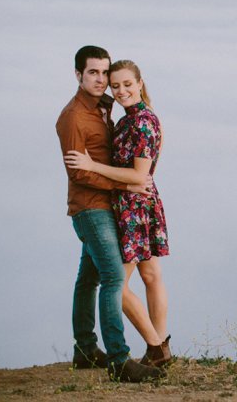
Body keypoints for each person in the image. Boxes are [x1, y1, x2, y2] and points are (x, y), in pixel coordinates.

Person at [56, 46, 163, 383]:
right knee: (115, 278)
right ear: (78, 75)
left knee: (89, 279)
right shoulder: (74, 116)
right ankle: (119, 359)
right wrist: (125, 187)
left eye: (105, 74)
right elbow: (79, 173)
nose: (102, 81)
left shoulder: (106, 108)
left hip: (109, 206)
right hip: (91, 207)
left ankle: (85, 350)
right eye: (93, 73)